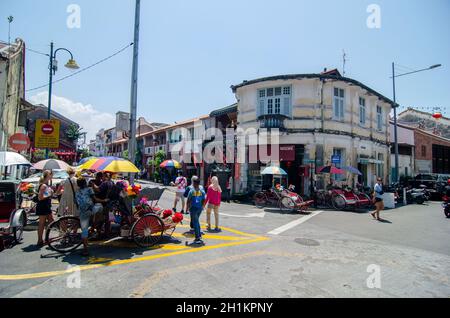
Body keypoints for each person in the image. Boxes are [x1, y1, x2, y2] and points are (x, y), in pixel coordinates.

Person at [75, 178, 105, 256]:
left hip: (82, 212)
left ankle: (85, 249)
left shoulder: (77, 192)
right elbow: (95, 199)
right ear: (85, 183)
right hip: (90, 210)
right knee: (100, 207)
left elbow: (76, 203)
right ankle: (95, 225)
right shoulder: (89, 189)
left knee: (84, 231)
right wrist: (105, 200)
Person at [36, 170, 54, 247]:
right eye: (51, 174)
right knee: (42, 223)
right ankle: (40, 240)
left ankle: (46, 238)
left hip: (46, 205)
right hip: (43, 205)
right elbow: (40, 197)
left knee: (51, 221)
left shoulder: (46, 185)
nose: (52, 176)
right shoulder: (43, 185)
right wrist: (50, 194)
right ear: (48, 176)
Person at [186, 176, 206, 244]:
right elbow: (204, 200)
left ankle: (197, 237)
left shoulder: (191, 191)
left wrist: (187, 209)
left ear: (194, 183)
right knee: (196, 221)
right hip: (199, 208)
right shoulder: (202, 191)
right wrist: (202, 207)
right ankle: (199, 234)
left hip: (193, 208)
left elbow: (188, 200)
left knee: (195, 222)